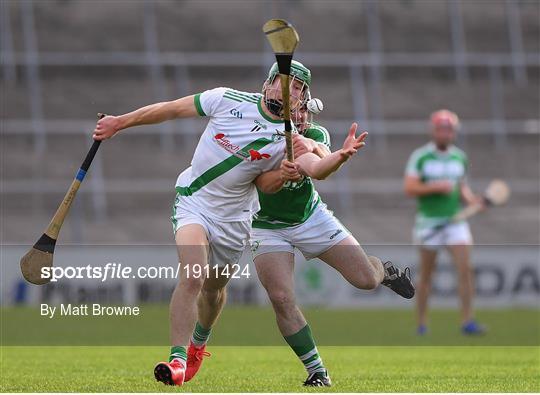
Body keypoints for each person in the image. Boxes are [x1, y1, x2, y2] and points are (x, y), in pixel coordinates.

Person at [92, 60, 367, 387]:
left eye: (297, 87)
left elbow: (317, 167)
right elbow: (171, 109)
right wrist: (120, 123)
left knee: (213, 291)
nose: (287, 88)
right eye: (283, 80)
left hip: (235, 220)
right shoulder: (226, 99)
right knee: (193, 276)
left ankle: (198, 344)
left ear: (302, 100)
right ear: (266, 84)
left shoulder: (291, 139)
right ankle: (178, 361)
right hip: (194, 202)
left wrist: (341, 155)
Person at [184, 89, 415, 387]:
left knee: (366, 280)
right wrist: (282, 173)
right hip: (264, 225)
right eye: (296, 110)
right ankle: (317, 370)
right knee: (281, 298)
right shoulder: (258, 136)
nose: (302, 116)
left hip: (311, 217)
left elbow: (321, 167)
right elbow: (262, 184)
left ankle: (385, 270)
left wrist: (337, 157)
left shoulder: (315, 133)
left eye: (305, 109)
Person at [403, 109, 486, 336]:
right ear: (434, 131)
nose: (445, 134)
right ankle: (421, 324)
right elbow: (409, 188)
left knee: (465, 270)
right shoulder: (420, 157)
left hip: (455, 222)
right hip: (429, 223)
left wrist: (475, 202)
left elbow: (463, 190)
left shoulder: (460, 157)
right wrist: (435, 187)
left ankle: (467, 321)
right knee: (427, 275)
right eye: (441, 129)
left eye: (449, 130)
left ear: (454, 132)